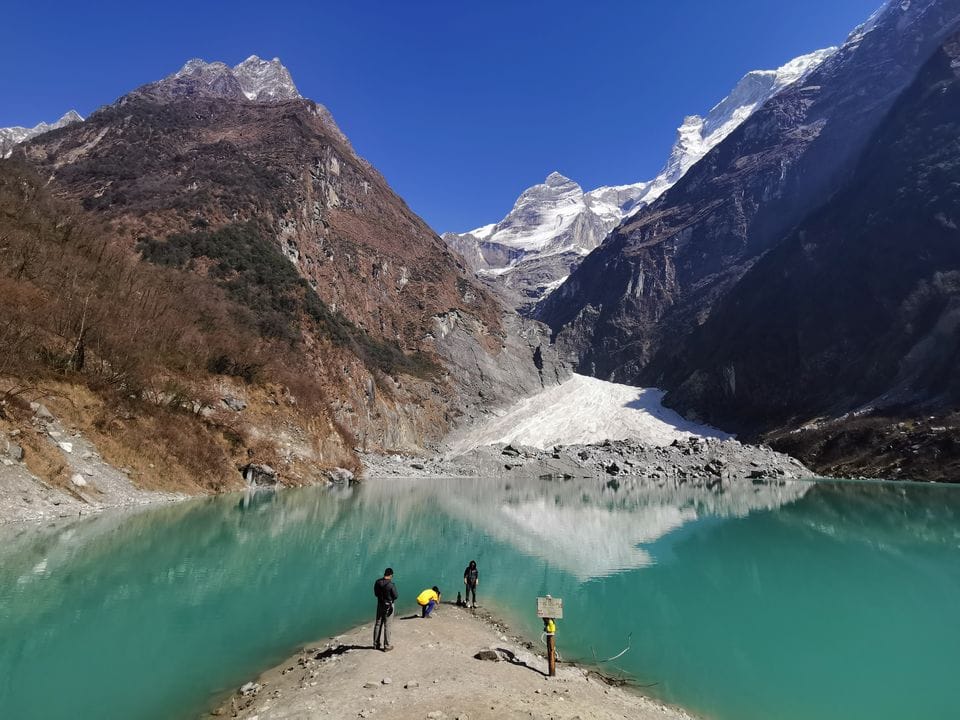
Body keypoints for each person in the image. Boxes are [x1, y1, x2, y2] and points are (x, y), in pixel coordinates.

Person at [373, 567, 397, 651]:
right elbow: (396, 596)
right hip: (388, 606)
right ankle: (386, 646)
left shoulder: (377, 582)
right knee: (387, 625)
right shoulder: (391, 585)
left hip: (380, 604)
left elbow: (376, 593)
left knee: (378, 624)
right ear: (391, 575)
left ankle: (376, 644)